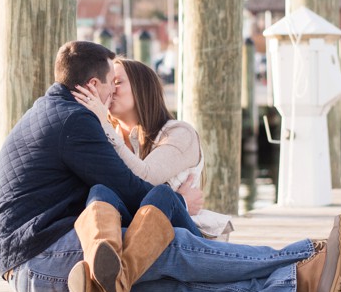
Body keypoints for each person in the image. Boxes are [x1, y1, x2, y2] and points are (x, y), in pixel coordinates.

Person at [0, 40, 341, 292]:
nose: (111, 93)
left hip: (37, 263)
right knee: (171, 245)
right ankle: (308, 254)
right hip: (38, 262)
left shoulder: (57, 112)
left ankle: (301, 284)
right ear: (92, 84)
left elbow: (124, 188)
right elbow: (131, 191)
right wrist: (171, 202)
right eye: (110, 82)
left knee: (179, 284)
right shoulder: (74, 121)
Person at [71, 57, 233, 240]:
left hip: (179, 233)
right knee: (100, 192)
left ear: (142, 89)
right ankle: (107, 262)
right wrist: (183, 201)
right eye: (107, 83)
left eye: (117, 82)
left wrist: (178, 204)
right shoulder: (107, 137)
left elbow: (144, 178)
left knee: (162, 195)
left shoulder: (180, 133)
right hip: (131, 232)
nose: (110, 89)